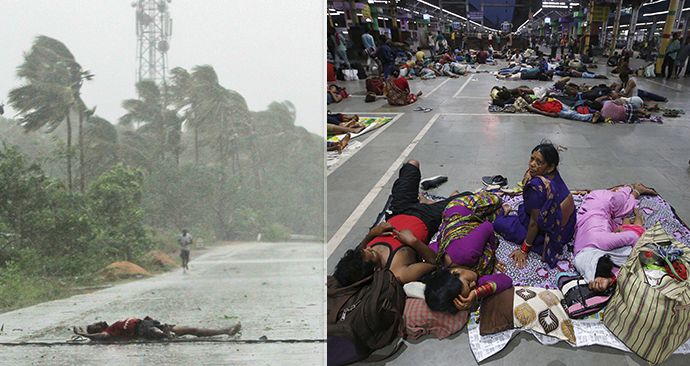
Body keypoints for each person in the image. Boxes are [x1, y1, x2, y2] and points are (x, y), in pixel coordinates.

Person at [332, 160, 467, 286]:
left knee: (412, 165)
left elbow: (363, 248)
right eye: (372, 253)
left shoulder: (361, 256)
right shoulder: (399, 272)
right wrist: (414, 242)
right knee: (468, 199)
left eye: (366, 249)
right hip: (427, 218)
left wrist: (372, 233)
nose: (369, 248)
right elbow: (437, 263)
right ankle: (432, 203)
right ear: (375, 270)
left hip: (400, 209)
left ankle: (428, 202)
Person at [494, 142, 576, 269]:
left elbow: (534, 223)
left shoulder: (536, 187)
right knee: (525, 208)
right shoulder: (553, 175)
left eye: (539, 162)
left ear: (549, 167)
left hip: (548, 236)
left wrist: (524, 249)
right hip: (566, 230)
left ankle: (505, 211)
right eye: (532, 159)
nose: (532, 164)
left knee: (498, 223)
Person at [573, 184, 657, 292]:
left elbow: (633, 237)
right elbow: (592, 266)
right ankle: (631, 192)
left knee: (622, 200)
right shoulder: (581, 257)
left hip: (600, 200)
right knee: (625, 210)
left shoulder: (604, 242)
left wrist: (644, 255)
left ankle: (630, 187)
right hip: (598, 214)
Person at [73, 316, 241, 341]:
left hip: (149, 322)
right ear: (96, 329)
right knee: (154, 332)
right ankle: (166, 336)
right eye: (93, 325)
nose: (97, 322)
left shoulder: (115, 323)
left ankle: (226, 330)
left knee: (191, 329)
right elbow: (100, 337)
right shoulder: (108, 332)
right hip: (142, 330)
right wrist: (84, 334)